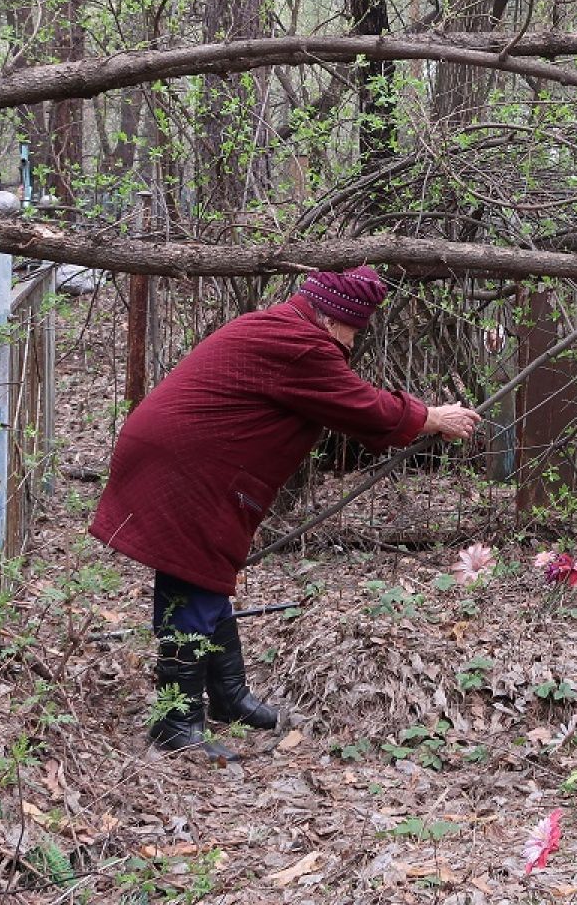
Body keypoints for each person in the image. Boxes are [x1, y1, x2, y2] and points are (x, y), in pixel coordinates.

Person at [90, 266, 481, 758]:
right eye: (353, 329)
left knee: (203, 577)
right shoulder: (302, 346)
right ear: (333, 317)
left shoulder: (283, 329)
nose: (353, 342)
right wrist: (431, 417)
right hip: (185, 465)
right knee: (193, 579)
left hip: (181, 458)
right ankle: (176, 722)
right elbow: (361, 406)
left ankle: (227, 697)